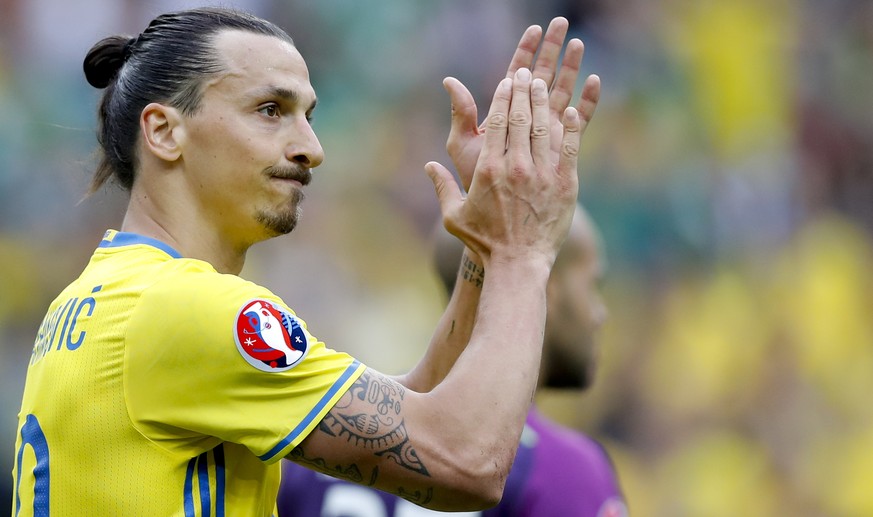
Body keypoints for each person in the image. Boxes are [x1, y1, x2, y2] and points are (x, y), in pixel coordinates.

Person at [10, 7, 600, 516]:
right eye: (270, 109)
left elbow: (415, 409)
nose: (311, 149)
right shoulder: (187, 309)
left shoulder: (96, 301)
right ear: (164, 131)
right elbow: (468, 459)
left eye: (309, 116)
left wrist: (485, 248)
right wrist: (525, 250)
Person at [279, 205, 627, 517]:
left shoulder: (321, 445)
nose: (600, 313)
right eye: (593, 285)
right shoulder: (562, 470)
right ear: (542, 286)